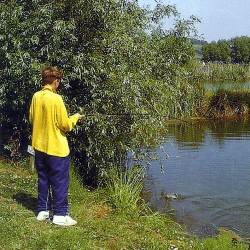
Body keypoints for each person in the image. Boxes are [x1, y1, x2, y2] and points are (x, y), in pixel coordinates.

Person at [29, 66, 84, 226]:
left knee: (44, 179)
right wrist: (74, 118)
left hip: (39, 146)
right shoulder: (56, 99)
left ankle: (43, 211)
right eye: (59, 81)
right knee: (59, 181)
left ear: (44, 80)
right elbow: (65, 125)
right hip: (56, 149)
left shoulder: (36, 96)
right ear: (56, 81)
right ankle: (60, 215)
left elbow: (32, 119)